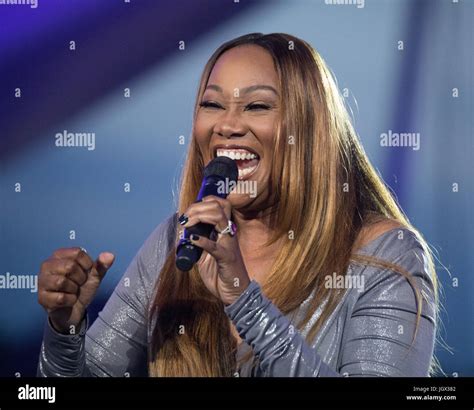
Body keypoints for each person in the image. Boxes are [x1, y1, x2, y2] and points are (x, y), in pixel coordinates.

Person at [37, 33, 438, 377]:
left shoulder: (384, 257)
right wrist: (65, 330)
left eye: (257, 106)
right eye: (212, 105)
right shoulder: (176, 243)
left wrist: (244, 301)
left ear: (310, 128)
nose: (227, 125)